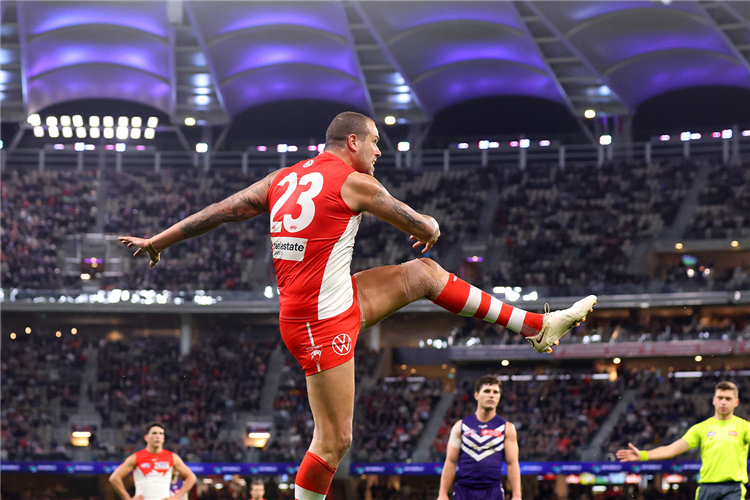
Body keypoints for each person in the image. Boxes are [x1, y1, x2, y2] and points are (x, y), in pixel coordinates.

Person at [119, 111, 597, 500]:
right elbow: (426, 227)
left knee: (425, 276)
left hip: (336, 300)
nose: (378, 151)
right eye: (374, 143)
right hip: (317, 323)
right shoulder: (356, 183)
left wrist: (159, 240)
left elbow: (220, 211)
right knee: (335, 440)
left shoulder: (283, 178)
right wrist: (426, 227)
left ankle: (541, 324)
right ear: (352, 142)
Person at [617, 381, 750, 500]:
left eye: (728, 398)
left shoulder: (744, 427)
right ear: (714, 400)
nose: (724, 402)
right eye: (720, 398)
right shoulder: (701, 428)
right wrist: (642, 455)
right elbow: (671, 449)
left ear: (736, 402)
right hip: (707, 488)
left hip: (733, 489)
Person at [437, 375, 521, 500]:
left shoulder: (507, 428)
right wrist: (442, 494)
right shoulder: (460, 427)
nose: (491, 395)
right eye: (487, 391)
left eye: (495, 392)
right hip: (463, 492)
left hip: (493, 492)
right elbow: (451, 461)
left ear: (499, 397)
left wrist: (517, 495)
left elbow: (512, 463)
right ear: (476, 395)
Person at [109, 422, 196, 500]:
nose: (158, 436)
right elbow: (114, 478)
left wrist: (176, 497)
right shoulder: (135, 457)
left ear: (163, 438)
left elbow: (191, 477)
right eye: (154, 433)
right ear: (146, 437)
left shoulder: (172, 457)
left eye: (161, 434)